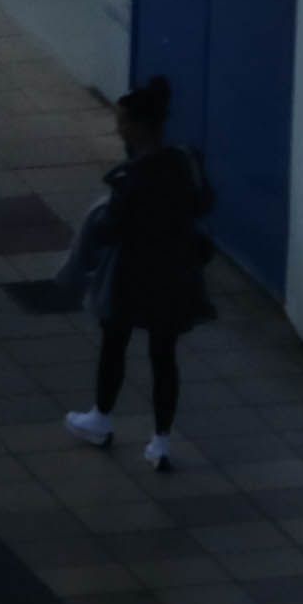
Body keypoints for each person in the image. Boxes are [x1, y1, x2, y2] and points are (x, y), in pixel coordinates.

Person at [58, 74, 213, 470]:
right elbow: (204, 203)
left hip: (132, 271)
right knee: (164, 355)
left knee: (115, 341)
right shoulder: (185, 161)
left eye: (122, 122)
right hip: (175, 270)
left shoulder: (132, 178)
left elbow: (112, 227)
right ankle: (160, 442)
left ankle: (101, 417)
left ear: (138, 126)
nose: (118, 127)